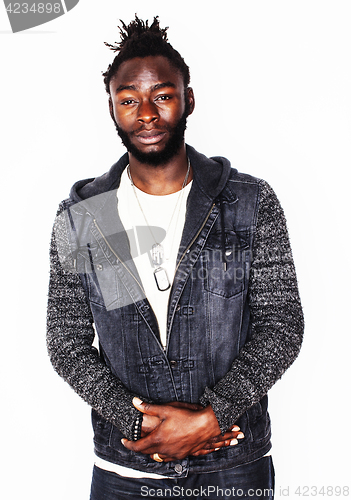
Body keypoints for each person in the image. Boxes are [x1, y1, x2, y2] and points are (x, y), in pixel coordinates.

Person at [46, 15, 304, 500]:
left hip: (233, 469)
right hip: (126, 472)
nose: (146, 113)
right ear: (112, 109)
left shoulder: (248, 202)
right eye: (129, 100)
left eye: (162, 95)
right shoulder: (86, 215)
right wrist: (141, 424)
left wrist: (212, 416)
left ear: (188, 99)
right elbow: (66, 341)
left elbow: (283, 323)